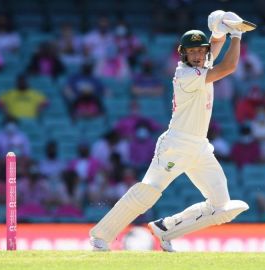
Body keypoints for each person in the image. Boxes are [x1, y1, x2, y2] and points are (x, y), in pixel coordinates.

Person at [89, 10, 250, 252]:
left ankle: (167, 229)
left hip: (200, 147)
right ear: (183, 54)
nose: (197, 55)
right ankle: (100, 237)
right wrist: (236, 34)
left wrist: (219, 29)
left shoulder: (202, 65)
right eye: (192, 51)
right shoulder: (186, 74)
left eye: (200, 50)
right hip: (177, 144)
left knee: (221, 208)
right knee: (147, 192)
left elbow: (215, 45)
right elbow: (228, 66)